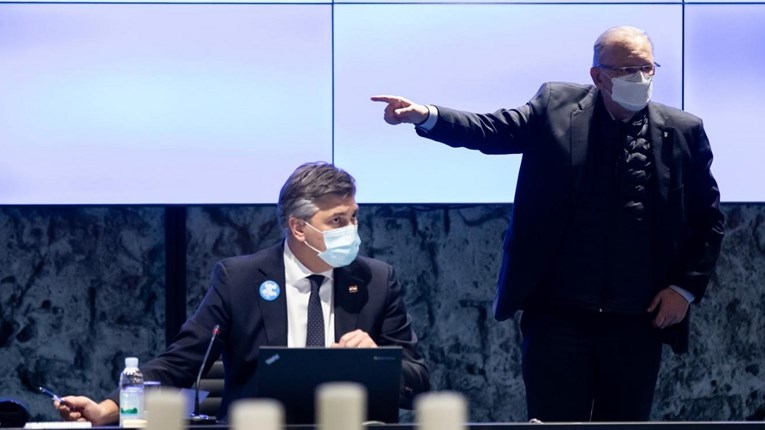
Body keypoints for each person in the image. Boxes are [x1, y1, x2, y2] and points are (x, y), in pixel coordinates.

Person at [372, 26, 724, 422]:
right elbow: (492, 130)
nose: (639, 78)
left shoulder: (683, 130)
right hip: (557, 317)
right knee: (553, 423)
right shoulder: (556, 106)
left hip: (637, 320)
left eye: (646, 67)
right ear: (598, 76)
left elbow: (708, 219)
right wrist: (426, 116)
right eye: (626, 70)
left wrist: (683, 288)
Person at [55, 161, 430, 425]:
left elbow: (419, 383)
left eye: (353, 217)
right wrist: (107, 408)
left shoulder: (376, 280)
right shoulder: (240, 280)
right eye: (337, 221)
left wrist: (378, 360)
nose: (350, 229)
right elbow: (181, 362)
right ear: (298, 228)